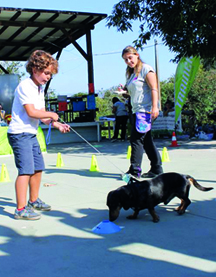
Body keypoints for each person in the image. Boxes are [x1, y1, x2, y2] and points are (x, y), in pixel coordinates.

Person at [7, 50, 70, 220]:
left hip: (31, 134)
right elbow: (31, 112)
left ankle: (33, 200)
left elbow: (41, 116)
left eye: (51, 74)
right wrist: (51, 114)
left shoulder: (39, 89)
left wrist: (56, 124)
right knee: (25, 171)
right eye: (46, 73)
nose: (48, 77)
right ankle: (20, 209)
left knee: (38, 167)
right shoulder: (25, 86)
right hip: (19, 134)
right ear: (35, 69)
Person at [120, 45, 163, 178]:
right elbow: (133, 93)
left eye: (130, 58)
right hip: (136, 110)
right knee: (146, 140)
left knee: (136, 139)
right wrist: (124, 92)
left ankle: (135, 171)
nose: (128, 61)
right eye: (125, 60)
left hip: (145, 111)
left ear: (137, 55)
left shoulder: (146, 69)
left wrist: (155, 107)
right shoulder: (132, 73)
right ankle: (156, 168)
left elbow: (154, 88)